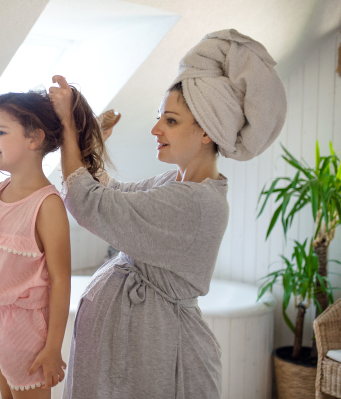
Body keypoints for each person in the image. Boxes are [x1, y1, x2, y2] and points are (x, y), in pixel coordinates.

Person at [49, 29, 287, 398]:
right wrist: (91, 147)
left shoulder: (196, 203)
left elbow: (90, 204)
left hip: (157, 350)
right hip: (137, 348)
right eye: (160, 117)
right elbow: (111, 194)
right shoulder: (176, 182)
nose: (155, 129)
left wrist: (67, 125)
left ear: (208, 132)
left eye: (171, 121)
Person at [0, 88, 105, 399]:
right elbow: (3, 262)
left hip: (24, 330)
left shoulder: (47, 205)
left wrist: (53, 348)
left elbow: (60, 280)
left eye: (0, 132)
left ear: (34, 139)